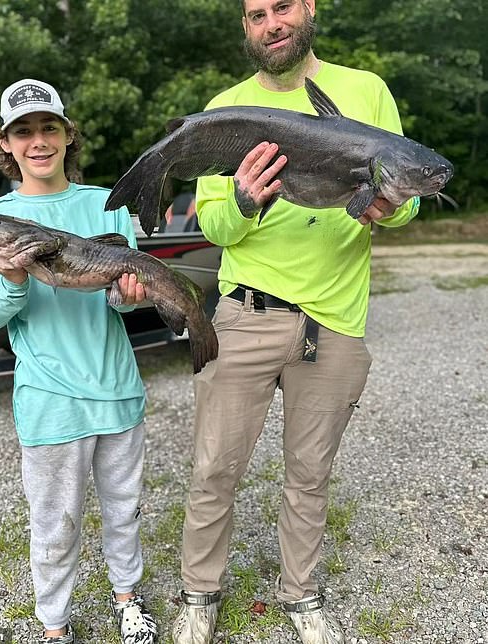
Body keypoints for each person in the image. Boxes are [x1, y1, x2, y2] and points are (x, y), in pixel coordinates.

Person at [172, 2, 420, 644]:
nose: (271, 23)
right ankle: (199, 592)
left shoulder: (366, 91)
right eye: (256, 15)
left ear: (308, 9)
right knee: (215, 468)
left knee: (309, 475)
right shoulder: (225, 108)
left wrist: (385, 211)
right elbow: (215, 227)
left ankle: (301, 595)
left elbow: (405, 201)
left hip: (334, 319)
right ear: (247, 28)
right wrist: (246, 200)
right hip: (245, 313)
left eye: (282, 7)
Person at [0, 78, 158, 644]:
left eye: (49, 127)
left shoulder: (106, 204)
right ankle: (54, 625)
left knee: (125, 511)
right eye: (23, 132)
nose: (38, 141)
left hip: (119, 391)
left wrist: (129, 295)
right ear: (5, 144)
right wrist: (13, 279)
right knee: (54, 525)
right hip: (49, 403)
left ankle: (128, 599)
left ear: (68, 135)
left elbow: (120, 302)